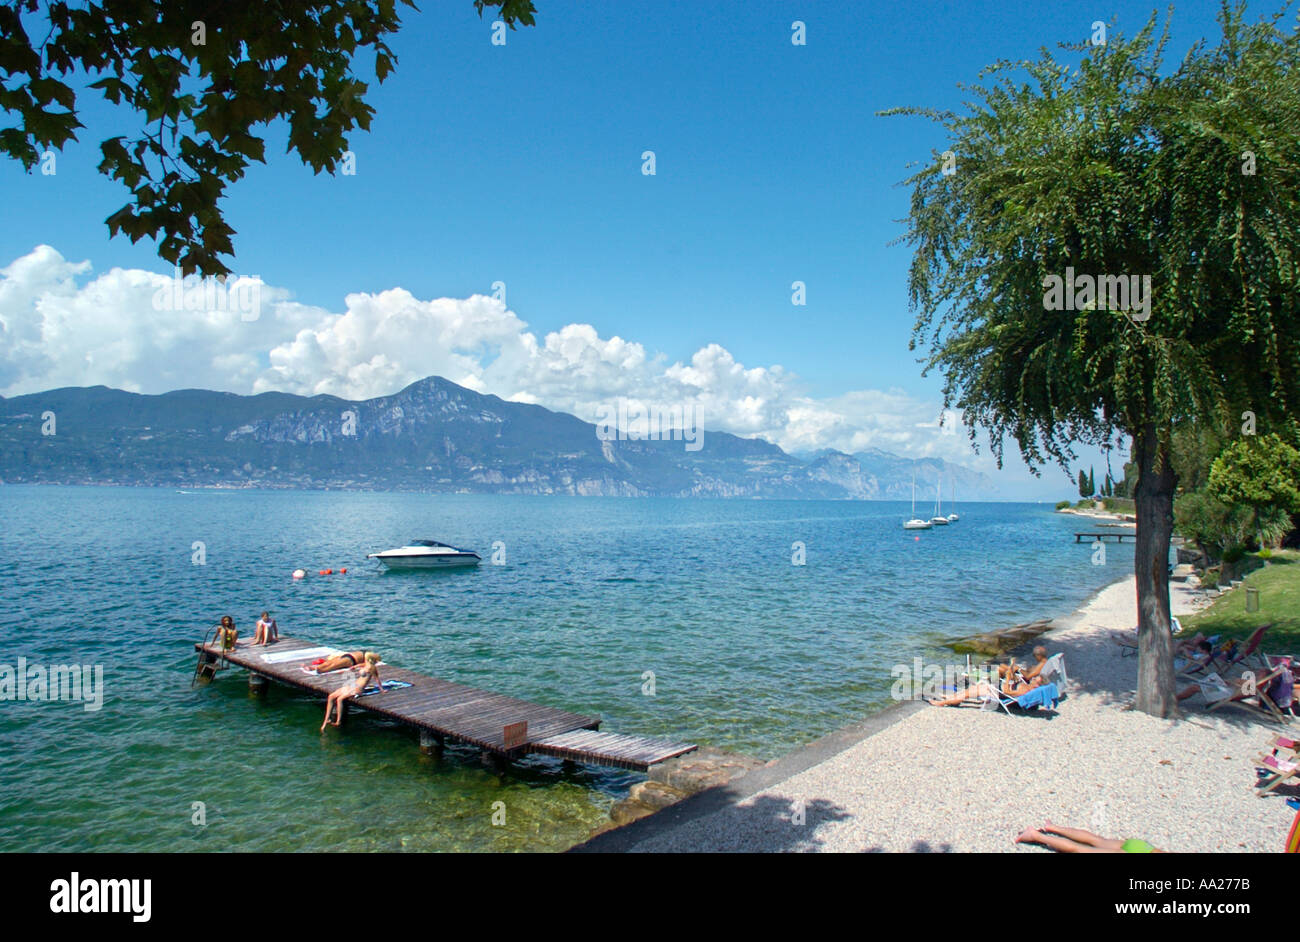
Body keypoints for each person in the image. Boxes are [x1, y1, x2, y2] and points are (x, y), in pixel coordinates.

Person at [927, 666, 1045, 707]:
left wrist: (1008, 677)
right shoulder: (1028, 687)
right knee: (970, 690)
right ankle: (952, 698)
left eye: (1035, 680)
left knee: (969, 693)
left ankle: (941, 703)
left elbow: (1008, 692)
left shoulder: (1025, 689)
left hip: (997, 692)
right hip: (997, 688)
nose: (1033, 679)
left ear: (1037, 685)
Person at [321, 653, 380, 731]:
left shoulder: (372, 668)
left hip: (358, 689)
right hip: (353, 685)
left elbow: (377, 679)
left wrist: (382, 689)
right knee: (331, 696)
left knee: (340, 699)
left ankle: (338, 721)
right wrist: (354, 667)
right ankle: (327, 719)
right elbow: (361, 665)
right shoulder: (366, 665)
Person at [1015, 822, 1161, 853]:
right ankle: (1036, 835)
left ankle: (1052, 827)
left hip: (1144, 848)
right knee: (1078, 849)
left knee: (1097, 840)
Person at [305, 650, 370, 674]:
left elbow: (366, 664)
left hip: (351, 660)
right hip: (347, 655)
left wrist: (356, 666)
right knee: (329, 662)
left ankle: (321, 670)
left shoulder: (369, 658)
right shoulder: (368, 653)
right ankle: (314, 668)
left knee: (334, 665)